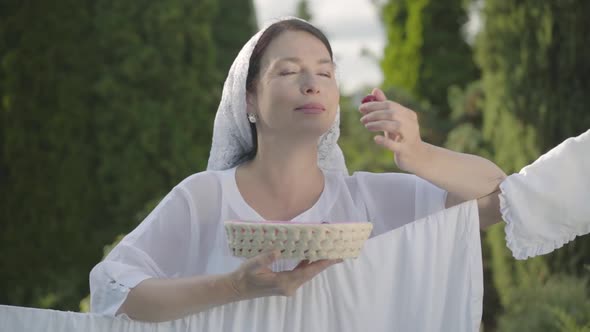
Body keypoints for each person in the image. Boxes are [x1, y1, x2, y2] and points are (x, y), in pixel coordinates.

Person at [89, 17, 507, 328]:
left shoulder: (369, 200)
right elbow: (114, 293)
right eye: (288, 72)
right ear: (248, 98)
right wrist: (234, 287)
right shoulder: (203, 199)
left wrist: (419, 154)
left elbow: (499, 196)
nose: (312, 83)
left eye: (325, 72)